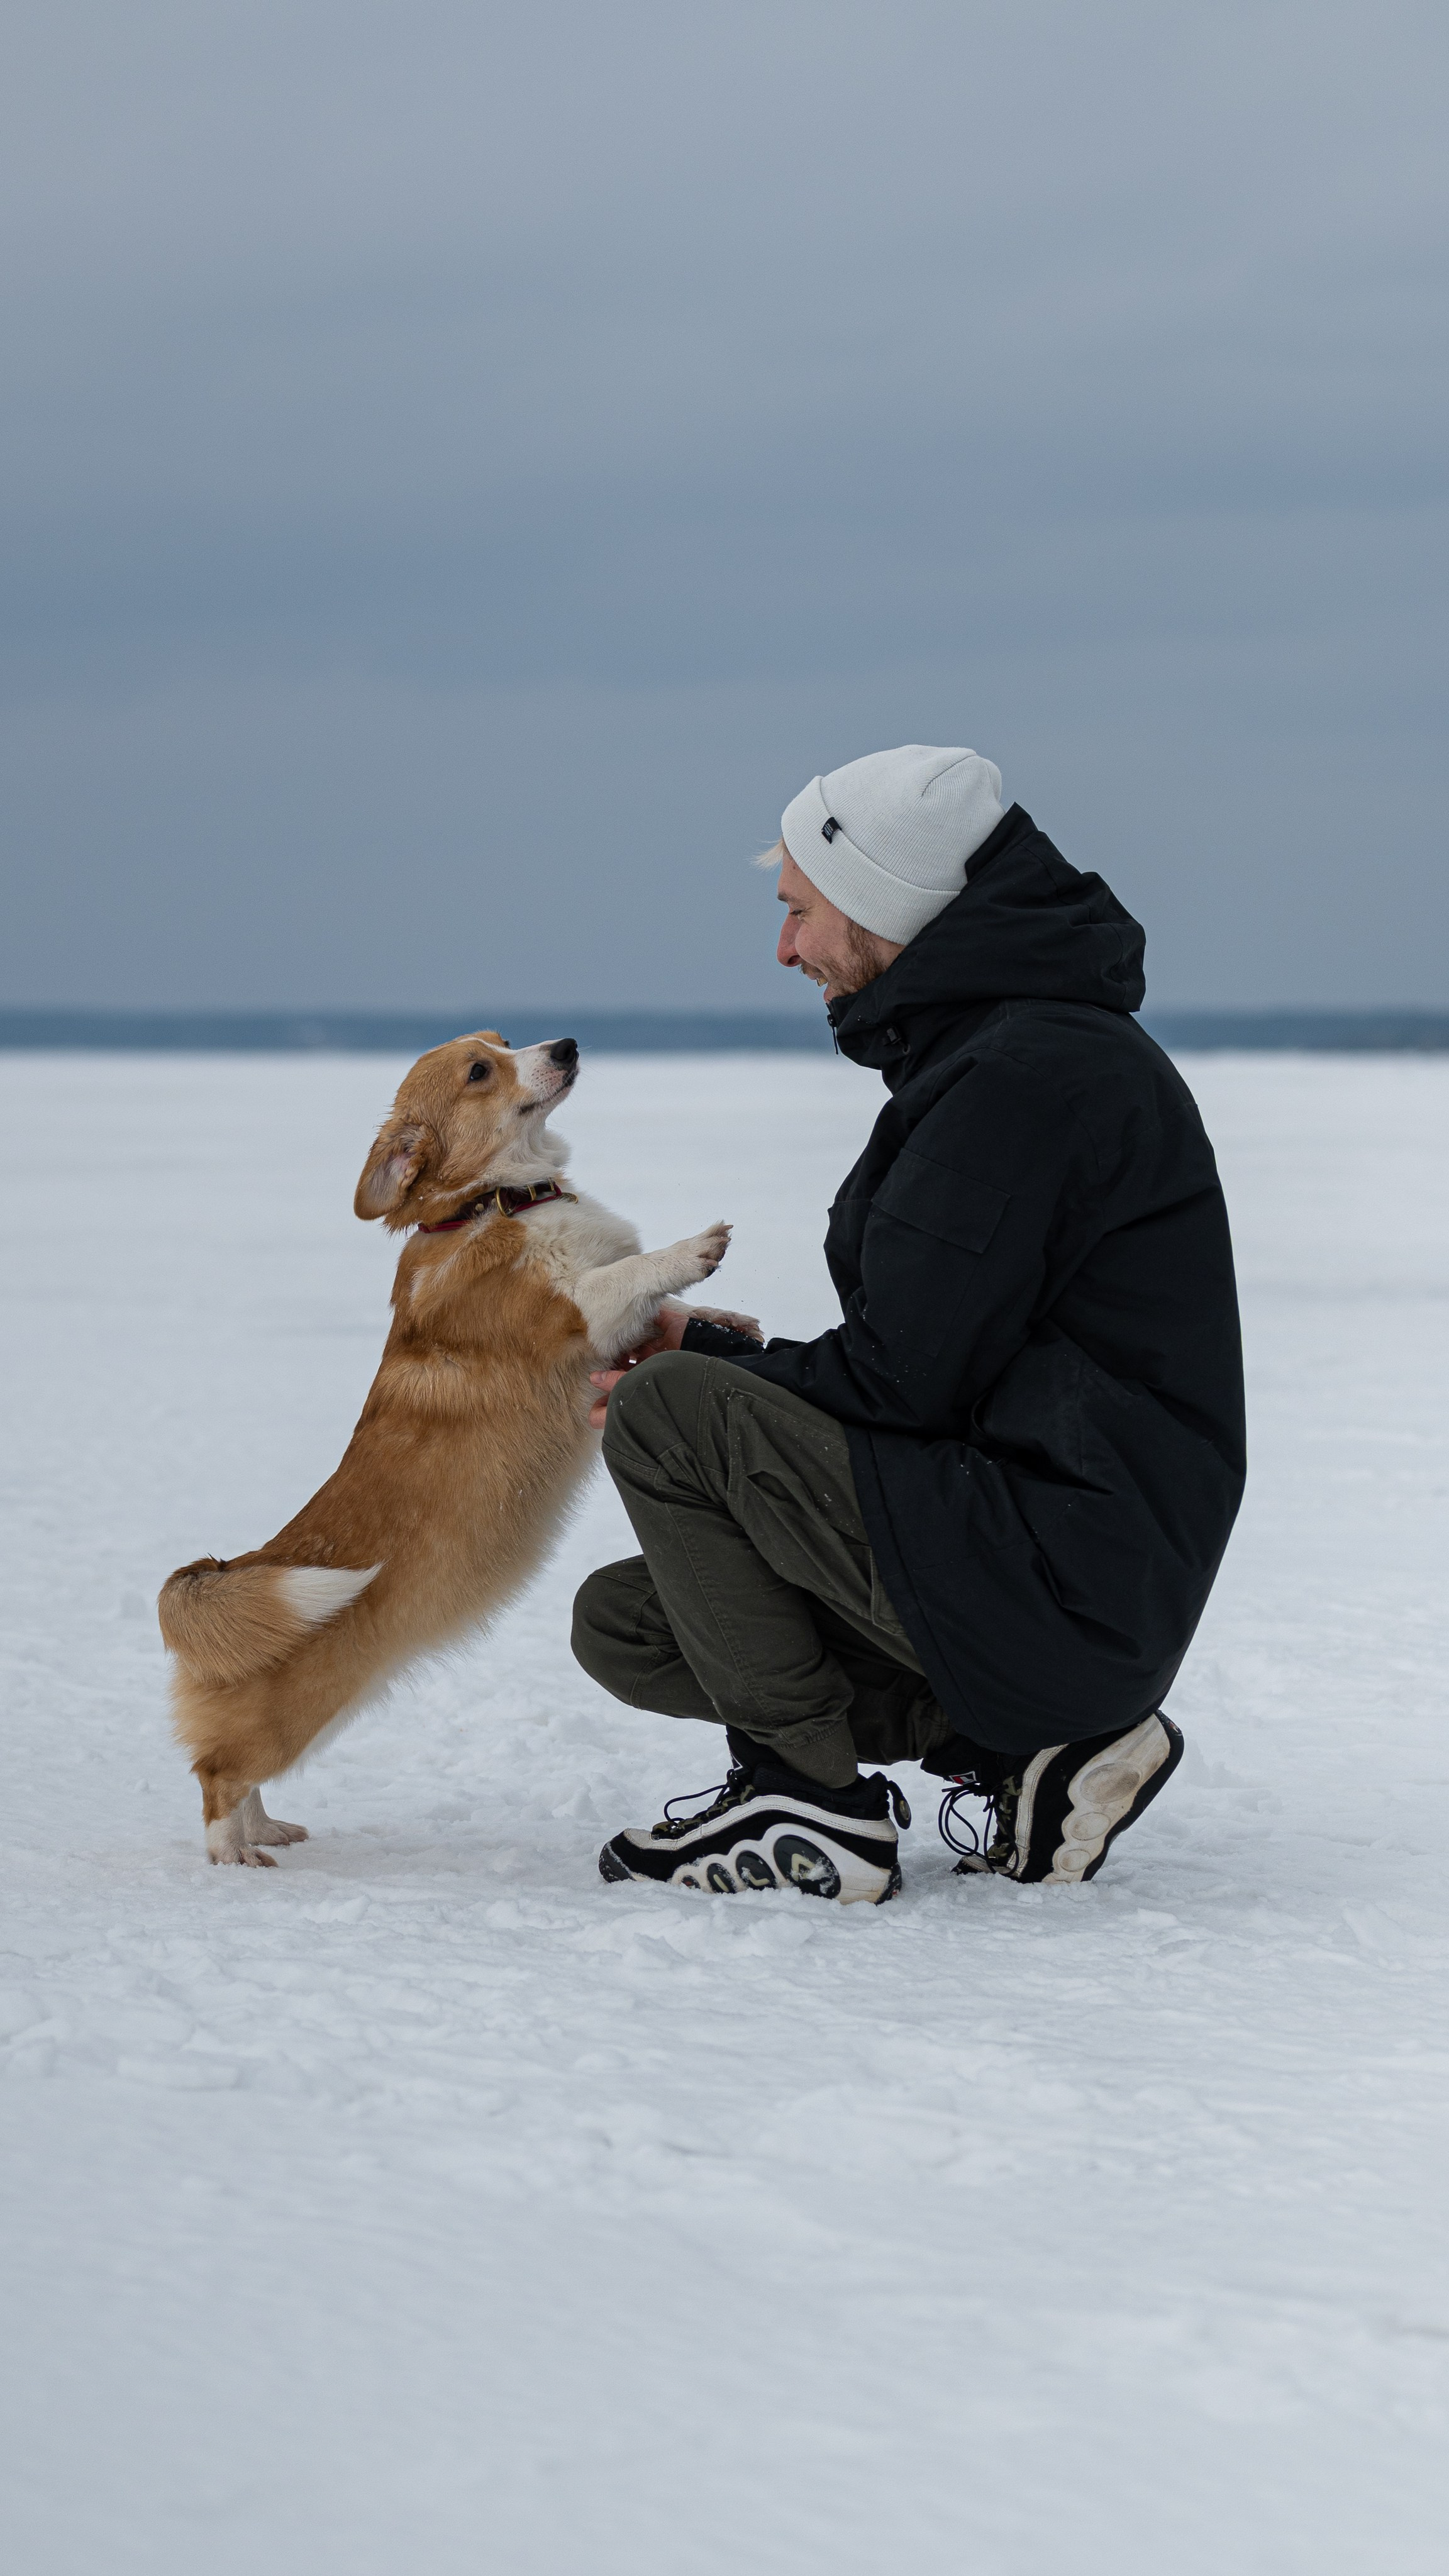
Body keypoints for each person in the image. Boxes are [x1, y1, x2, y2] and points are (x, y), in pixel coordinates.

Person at [572, 745, 1246, 1902]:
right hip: (1054, 1566)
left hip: (1061, 1572)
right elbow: (938, 1368)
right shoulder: (1012, 1055)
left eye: (799, 912)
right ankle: (1029, 1750)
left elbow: (902, 1385)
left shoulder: (1022, 1079)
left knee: (667, 1417)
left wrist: (699, 1373)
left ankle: (806, 1804)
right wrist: (712, 1348)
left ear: (883, 899)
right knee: (631, 1624)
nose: (784, 949)